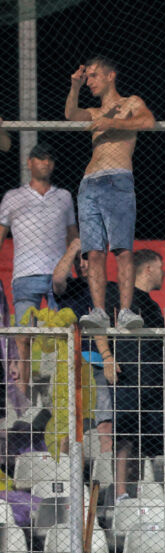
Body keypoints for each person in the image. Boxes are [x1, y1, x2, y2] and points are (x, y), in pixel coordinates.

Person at [64, 56, 155, 330]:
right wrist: (75, 86)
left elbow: (148, 121)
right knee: (93, 252)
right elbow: (71, 114)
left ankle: (125, 311)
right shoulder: (94, 112)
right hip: (89, 183)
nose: (89, 81)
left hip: (117, 179)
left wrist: (113, 123)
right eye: (87, 77)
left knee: (122, 249)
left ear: (110, 75)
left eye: (93, 76)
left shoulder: (130, 102)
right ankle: (100, 311)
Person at [0, 143, 77, 398]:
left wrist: (79, 264)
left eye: (49, 159)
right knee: (23, 336)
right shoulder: (13, 197)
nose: (45, 163)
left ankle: (64, 394)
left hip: (60, 275)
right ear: (29, 162)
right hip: (25, 274)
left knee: (64, 334)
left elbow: (72, 234)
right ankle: (23, 397)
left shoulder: (64, 196)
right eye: (40, 158)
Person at [111, 249, 165, 502]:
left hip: (153, 383)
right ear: (148, 269)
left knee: (147, 444)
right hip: (128, 379)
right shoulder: (122, 300)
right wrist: (107, 357)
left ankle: (141, 492)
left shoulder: (154, 307)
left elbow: (163, 348)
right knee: (125, 439)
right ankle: (121, 493)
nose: (164, 274)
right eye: (160, 268)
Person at [52, 238, 118, 457]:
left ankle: (105, 471)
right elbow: (57, 279)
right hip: (75, 364)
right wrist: (74, 246)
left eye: (87, 258)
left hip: (103, 365)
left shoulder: (112, 289)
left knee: (105, 424)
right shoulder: (71, 289)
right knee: (70, 427)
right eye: (77, 260)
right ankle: (66, 471)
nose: (81, 264)